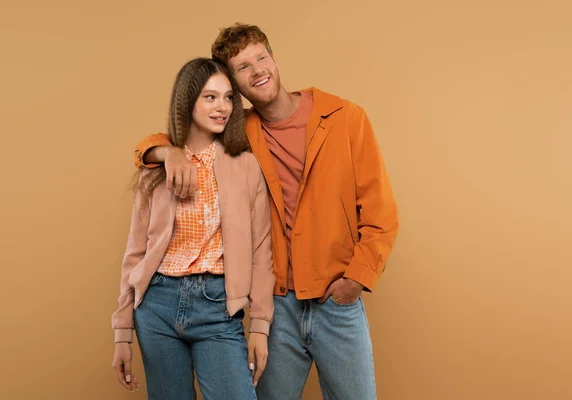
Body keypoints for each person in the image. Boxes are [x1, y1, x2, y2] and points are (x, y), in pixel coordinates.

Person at [132, 24, 399, 400]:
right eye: (242, 67)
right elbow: (178, 132)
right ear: (234, 84)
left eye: (261, 57)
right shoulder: (239, 132)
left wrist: (356, 279)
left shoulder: (344, 117)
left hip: (336, 300)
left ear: (274, 59)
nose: (257, 70)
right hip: (275, 306)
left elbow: (381, 212)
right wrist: (164, 152)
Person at [111, 57, 274, 400]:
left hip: (217, 307)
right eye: (210, 97)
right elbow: (135, 254)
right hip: (156, 305)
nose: (223, 107)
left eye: (229, 97)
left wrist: (260, 325)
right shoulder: (156, 168)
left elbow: (261, 252)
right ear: (188, 101)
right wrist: (122, 331)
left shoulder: (245, 166)